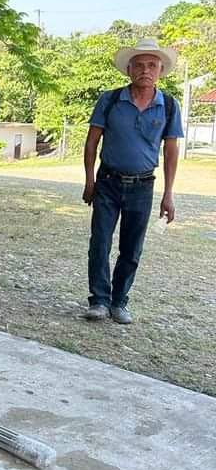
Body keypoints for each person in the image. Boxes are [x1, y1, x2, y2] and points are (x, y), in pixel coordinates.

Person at [82, 38, 183, 324]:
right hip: (108, 182)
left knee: (132, 248)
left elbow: (171, 151)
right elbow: (91, 142)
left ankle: (119, 301)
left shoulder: (168, 106)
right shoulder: (111, 100)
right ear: (129, 70)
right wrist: (89, 180)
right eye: (138, 65)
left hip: (143, 186)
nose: (145, 70)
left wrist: (169, 193)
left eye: (152, 65)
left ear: (160, 71)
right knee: (100, 242)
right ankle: (99, 300)